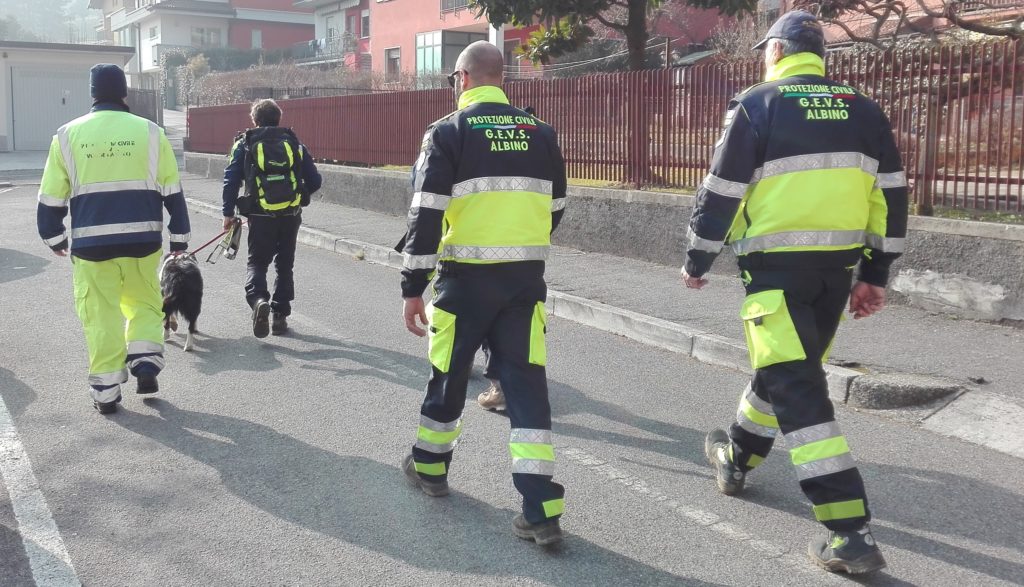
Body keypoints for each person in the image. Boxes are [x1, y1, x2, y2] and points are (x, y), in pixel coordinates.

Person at [680, 11, 907, 575]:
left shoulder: (758, 104)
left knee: (798, 389)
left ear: (777, 50)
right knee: (786, 372)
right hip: (835, 275)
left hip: (775, 276)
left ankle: (848, 531)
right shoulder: (865, 110)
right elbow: (892, 197)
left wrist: (698, 257)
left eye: (765, 50)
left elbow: (723, 190)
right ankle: (735, 458)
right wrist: (876, 273)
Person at [399, 41, 568, 545]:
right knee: (526, 387)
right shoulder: (541, 133)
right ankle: (540, 509)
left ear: (462, 79)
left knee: (449, 374)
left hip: (464, 281)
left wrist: (412, 286)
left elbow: (425, 213)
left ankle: (430, 468)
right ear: (502, 78)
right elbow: (555, 208)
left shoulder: (447, 133)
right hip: (523, 282)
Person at [36, 64, 191, 415]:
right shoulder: (151, 132)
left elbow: (50, 197)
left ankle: (106, 394)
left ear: (92, 92)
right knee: (145, 303)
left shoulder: (66, 135)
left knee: (100, 315)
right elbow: (172, 189)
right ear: (123, 92)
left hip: (92, 248)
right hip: (143, 242)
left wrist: (54, 236)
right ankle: (146, 362)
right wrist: (179, 238)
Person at [222, 99, 322, 338]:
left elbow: (231, 180)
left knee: (257, 262)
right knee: (285, 264)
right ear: (279, 118)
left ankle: (258, 301)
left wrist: (228, 213)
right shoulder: (296, 144)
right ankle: (280, 316)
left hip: (259, 214)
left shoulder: (244, 145)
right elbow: (315, 181)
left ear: (254, 121)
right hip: (290, 214)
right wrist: (299, 195)